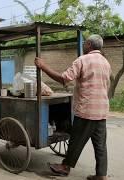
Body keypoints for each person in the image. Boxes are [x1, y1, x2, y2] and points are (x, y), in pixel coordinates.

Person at [35, 34, 111, 180]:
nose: (83, 46)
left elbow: (64, 79)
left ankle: (65, 166)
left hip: (87, 110)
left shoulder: (83, 60)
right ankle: (101, 174)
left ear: (89, 44)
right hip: (101, 110)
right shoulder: (105, 62)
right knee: (100, 144)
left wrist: (43, 67)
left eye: (84, 44)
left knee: (76, 139)